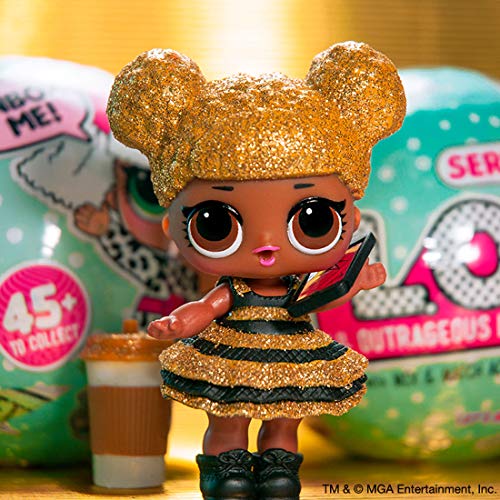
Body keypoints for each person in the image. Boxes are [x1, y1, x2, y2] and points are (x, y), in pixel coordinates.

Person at [107, 41, 405, 500]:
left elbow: (329, 291)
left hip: (295, 352)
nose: (267, 245)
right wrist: (179, 322)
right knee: (229, 417)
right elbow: (208, 306)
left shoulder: (302, 282)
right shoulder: (235, 288)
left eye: (312, 220)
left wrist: (359, 280)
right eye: (215, 223)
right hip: (230, 352)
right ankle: (225, 468)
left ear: (353, 219)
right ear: (171, 227)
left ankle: (279, 466)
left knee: (286, 417)